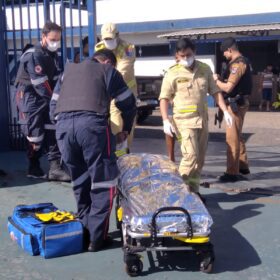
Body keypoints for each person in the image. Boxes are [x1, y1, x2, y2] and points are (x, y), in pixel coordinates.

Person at [49, 50, 136, 252]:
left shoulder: (67, 72)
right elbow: (128, 104)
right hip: (91, 126)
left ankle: (84, 230)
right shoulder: (107, 71)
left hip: (62, 128)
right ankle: (97, 238)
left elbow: (52, 105)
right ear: (107, 62)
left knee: (80, 180)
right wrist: (125, 129)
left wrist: (66, 127)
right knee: (103, 182)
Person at [159, 38, 232, 194]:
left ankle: (193, 192)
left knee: (199, 161)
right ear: (177, 55)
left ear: (195, 52)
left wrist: (225, 111)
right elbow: (164, 98)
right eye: (182, 56)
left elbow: (215, 92)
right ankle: (177, 193)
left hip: (202, 121)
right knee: (190, 157)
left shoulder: (205, 69)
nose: (186, 58)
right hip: (183, 122)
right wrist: (165, 120)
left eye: (189, 54)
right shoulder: (172, 73)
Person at [15, 21, 70, 181]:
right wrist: (56, 100)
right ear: (43, 36)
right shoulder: (33, 54)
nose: (56, 43)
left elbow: (55, 78)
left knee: (53, 128)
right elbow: (40, 83)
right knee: (35, 136)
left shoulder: (52, 54)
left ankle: (55, 168)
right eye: (53, 39)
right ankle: (33, 166)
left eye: (58, 40)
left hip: (46, 96)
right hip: (29, 97)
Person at [213, 37, 252, 182]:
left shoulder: (238, 64)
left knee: (232, 139)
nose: (223, 55)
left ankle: (232, 172)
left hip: (235, 105)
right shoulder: (239, 62)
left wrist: (216, 81)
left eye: (224, 52)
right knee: (238, 135)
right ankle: (242, 166)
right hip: (238, 103)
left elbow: (229, 87)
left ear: (230, 50)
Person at [95, 22, 137, 152]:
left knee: (127, 129)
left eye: (111, 38)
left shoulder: (128, 48)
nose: (108, 41)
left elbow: (122, 72)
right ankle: (119, 157)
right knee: (116, 127)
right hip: (110, 95)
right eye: (106, 39)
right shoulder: (99, 47)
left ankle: (124, 154)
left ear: (117, 35)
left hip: (126, 93)